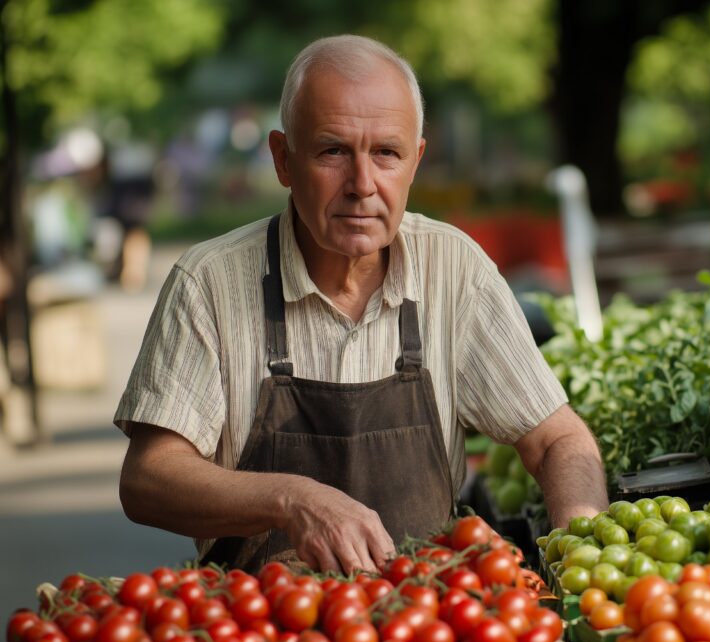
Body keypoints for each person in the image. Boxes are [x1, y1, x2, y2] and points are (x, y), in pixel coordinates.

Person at [115, 35, 608, 575]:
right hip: (260, 630)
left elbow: (556, 438)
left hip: (421, 623)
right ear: (284, 158)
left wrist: (580, 561)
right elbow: (148, 478)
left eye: (386, 154)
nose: (362, 185)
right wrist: (290, 498)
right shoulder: (208, 283)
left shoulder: (453, 269)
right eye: (333, 151)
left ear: (415, 161)